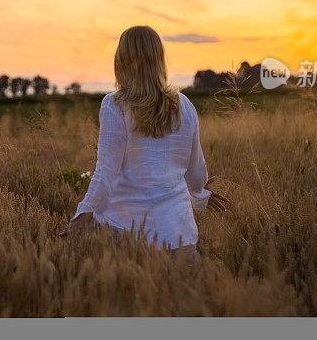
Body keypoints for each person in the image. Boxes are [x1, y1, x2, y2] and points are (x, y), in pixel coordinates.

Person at [60, 25, 228, 264]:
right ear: (159, 59)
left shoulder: (114, 105)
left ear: (122, 60)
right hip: (179, 237)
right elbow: (196, 173)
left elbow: (106, 173)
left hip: (127, 235)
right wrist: (200, 194)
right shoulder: (185, 106)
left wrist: (82, 214)